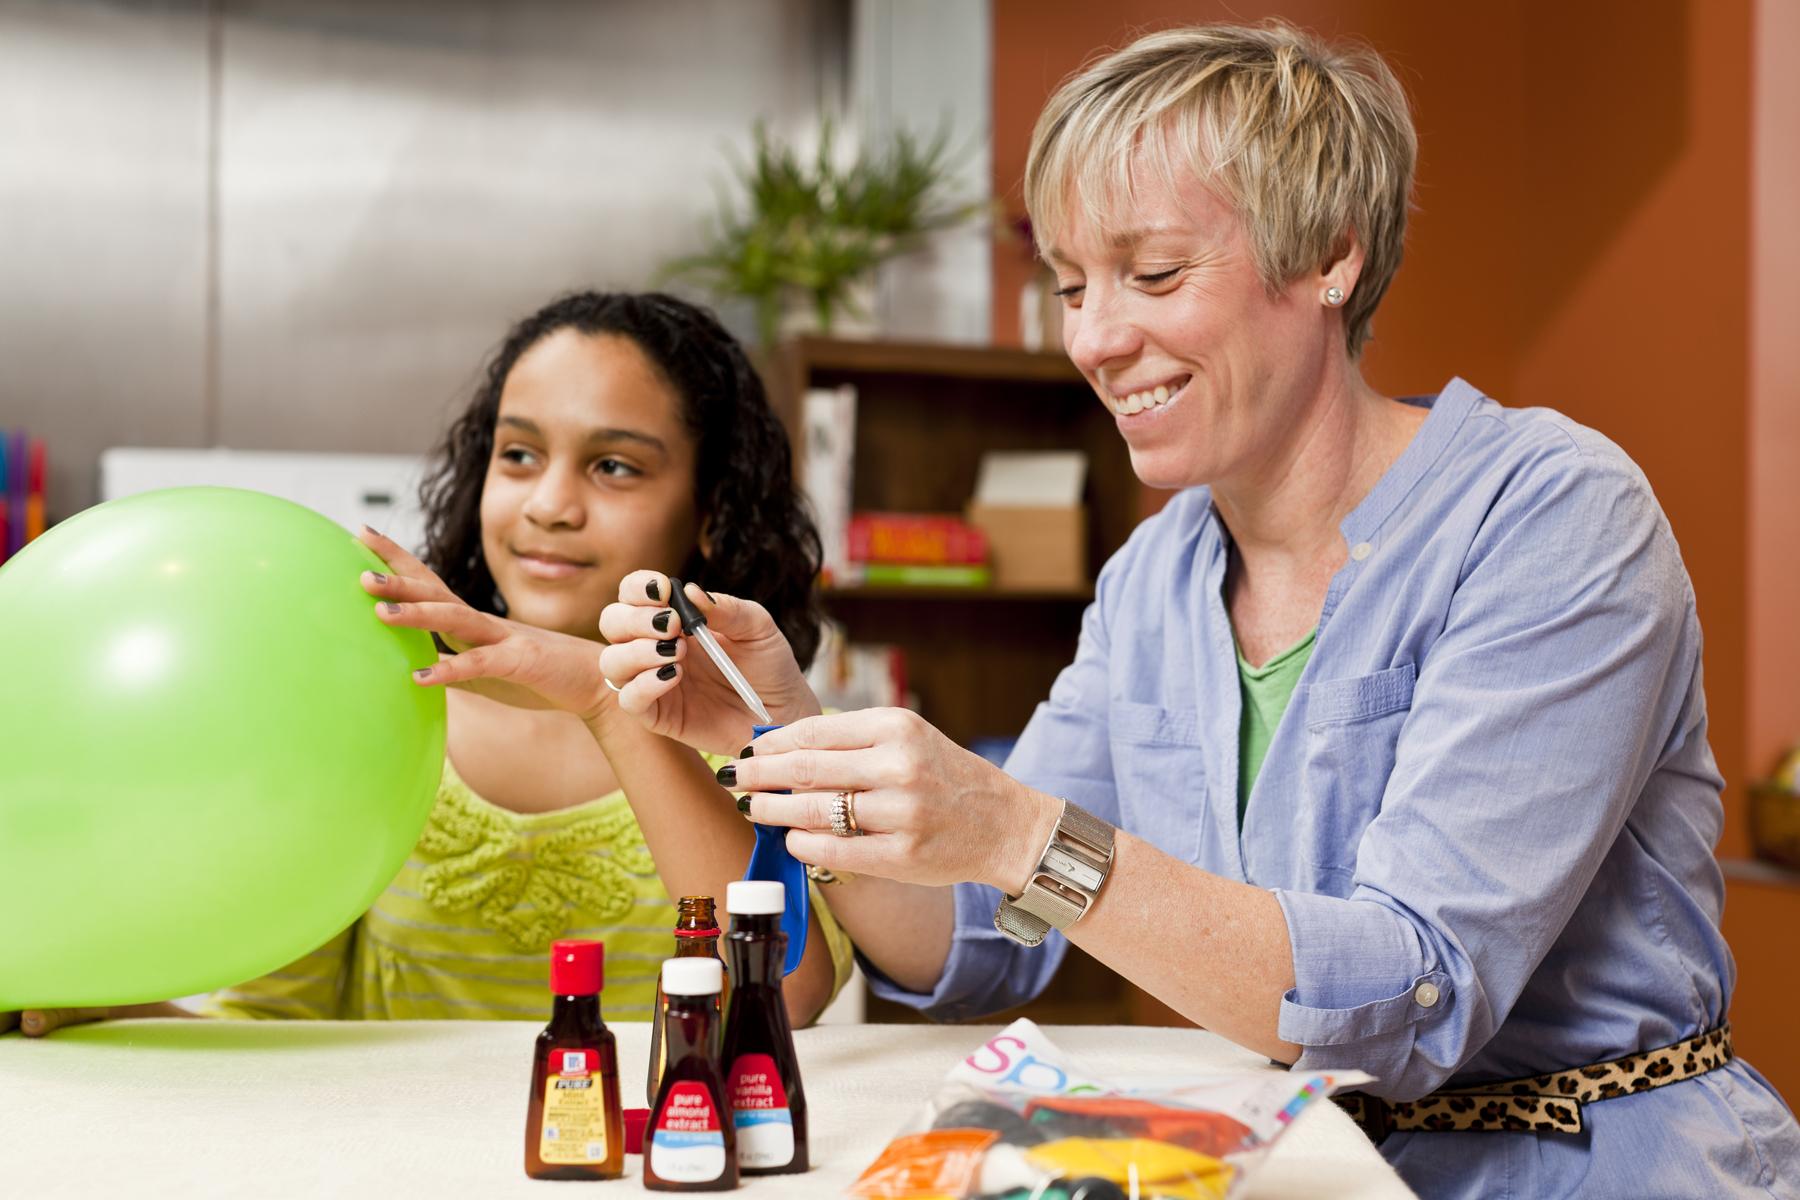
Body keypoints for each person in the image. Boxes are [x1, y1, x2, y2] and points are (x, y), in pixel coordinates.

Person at [585, 24, 1796, 1200]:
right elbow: (970, 942)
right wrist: (780, 736)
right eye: (1070, 286)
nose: (1098, 339)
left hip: (1595, 1168)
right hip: (1319, 1163)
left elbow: (1412, 994)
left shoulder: (1552, 517)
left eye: (1155, 273)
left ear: (1331, 253)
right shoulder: (1155, 577)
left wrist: (1016, 831)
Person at [2, 291, 849, 1037]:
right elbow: (272, 1028)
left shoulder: (757, 734)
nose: (549, 505)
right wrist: (111, 1011)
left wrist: (605, 701)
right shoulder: (374, 709)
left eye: (613, 466)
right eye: (518, 455)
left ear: (711, 509)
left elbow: (784, 992)